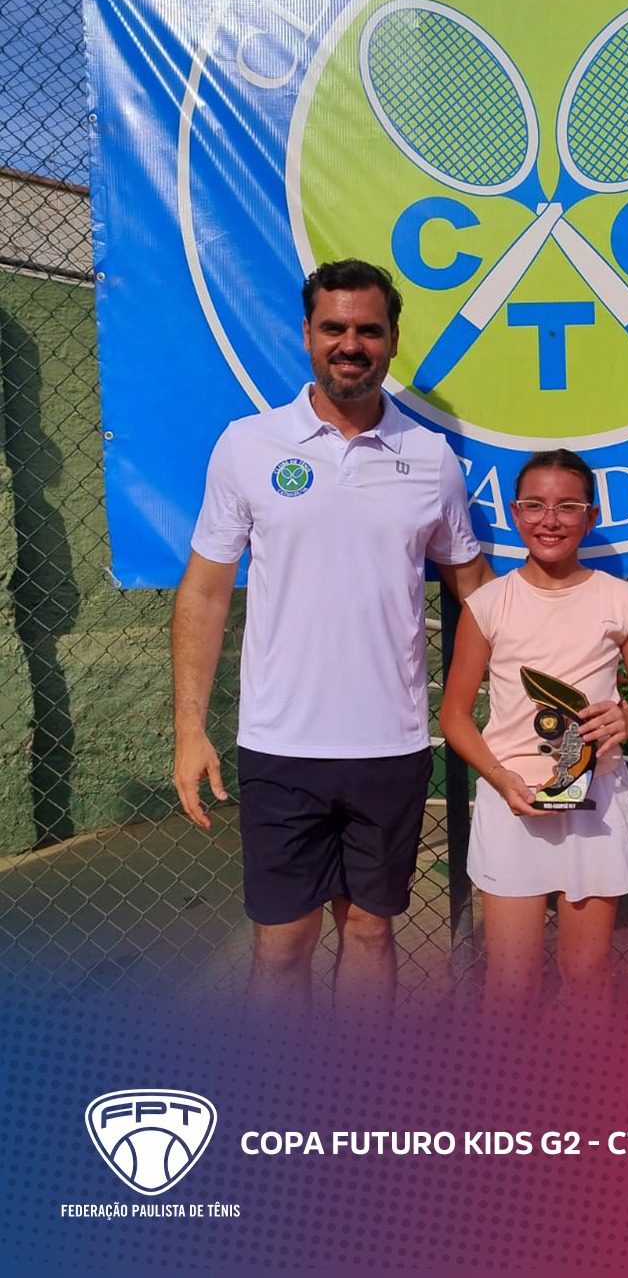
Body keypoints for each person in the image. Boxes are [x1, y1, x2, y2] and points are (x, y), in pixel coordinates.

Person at [172, 259, 492, 1024]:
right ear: (308, 334)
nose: (351, 344)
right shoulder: (248, 445)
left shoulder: (431, 458)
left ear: (393, 339)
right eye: (335, 328)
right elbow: (205, 591)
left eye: (368, 330)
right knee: (282, 947)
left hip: (391, 747)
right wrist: (189, 730)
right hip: (280, 747)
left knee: (372, 934)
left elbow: (476, 590)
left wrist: (531, 686)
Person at [439, 449, 628, 1026]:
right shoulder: (487, 604)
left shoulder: (623, 602)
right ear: (515, 513)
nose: (550, 520)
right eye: (535, 506)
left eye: (568, 507)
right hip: (512, 803)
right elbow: (455, 716)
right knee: (511, 983)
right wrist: (502, 779)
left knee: (586, 974)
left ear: (591, 517)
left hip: (596, 804)